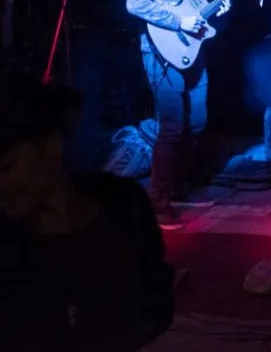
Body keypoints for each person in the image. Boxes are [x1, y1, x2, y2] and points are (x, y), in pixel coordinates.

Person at [0, 76, 174, 351]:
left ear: (52, 146)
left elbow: (157, 301)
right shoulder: (9, 249)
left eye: (6, 168)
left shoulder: (123, 206)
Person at [126, 0, 230, 229]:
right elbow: (135, 3)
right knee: (171, 125)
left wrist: (213, 8)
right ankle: (158, 201)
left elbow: (192, 4)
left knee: (197, 121)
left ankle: (179, 188)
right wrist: (178, 21)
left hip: (190, 51)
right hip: (160, 52)